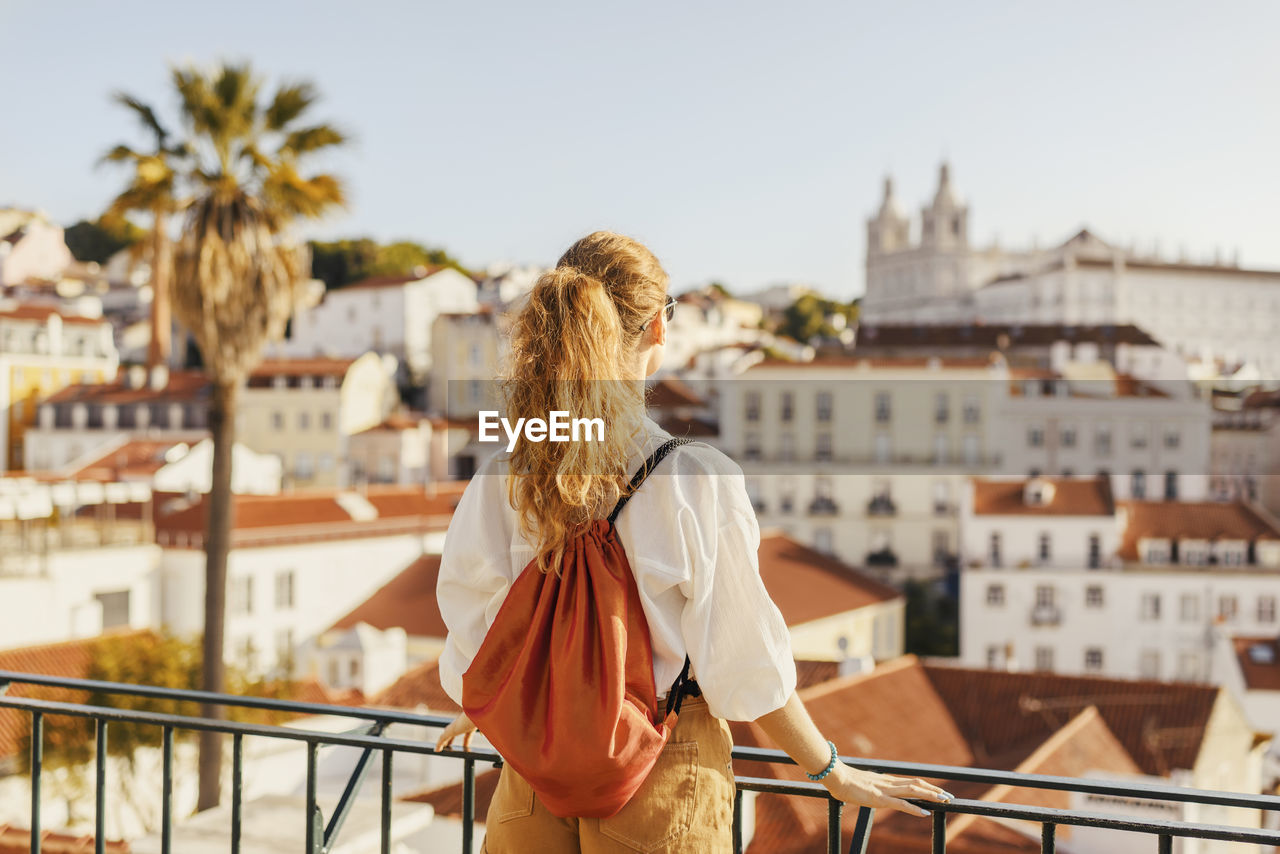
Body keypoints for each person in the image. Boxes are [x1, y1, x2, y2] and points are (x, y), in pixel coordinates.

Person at [434, 231, 951, 852]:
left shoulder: (505, 475)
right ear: (658, 327)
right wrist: (828, 769)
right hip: (659, 765)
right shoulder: (693, 478)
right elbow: (741, 656)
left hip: (533, 771)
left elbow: (474, 619)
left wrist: (498, 705)